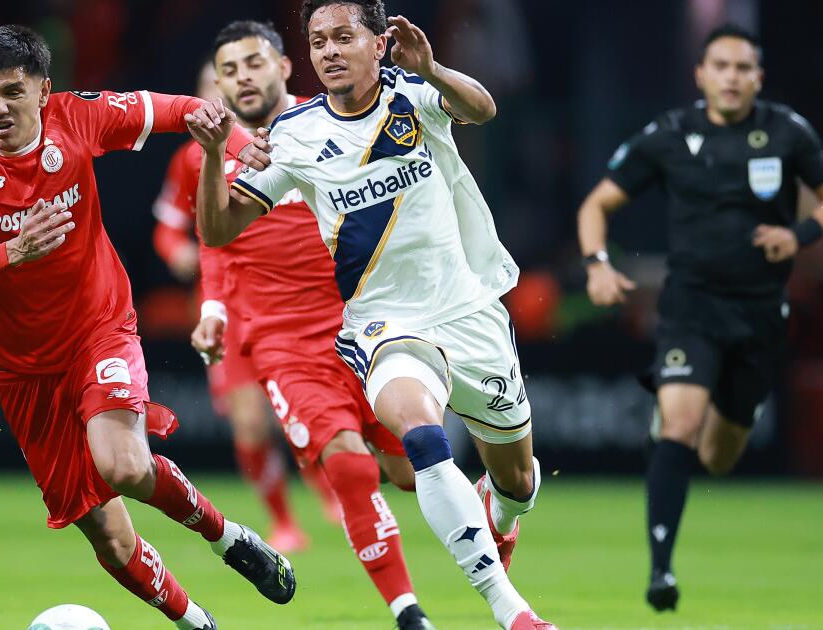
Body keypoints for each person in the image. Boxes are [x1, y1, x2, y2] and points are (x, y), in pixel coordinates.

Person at [184, 3, 554, 628]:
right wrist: (217, 155)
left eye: (342, 37)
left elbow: (484, 109)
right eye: (317, 41)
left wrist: (432, 69)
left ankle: (503, 514)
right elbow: (219, 231)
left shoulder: (415, 93)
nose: (328, 51)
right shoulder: (295, 135)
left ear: (378, 43)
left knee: (517, 479)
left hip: (467, 309)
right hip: (385, 324)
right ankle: (511, 611)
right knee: (421, 437)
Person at [0, 25, 293, 630]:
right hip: (19, 366)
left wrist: (231, 132)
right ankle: (196, 622)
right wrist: (15, 249)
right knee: (110, 538)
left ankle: (226, 537)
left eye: (12, 92)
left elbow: (174, 108)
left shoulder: (77, 119)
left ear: (44, 89)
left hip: (98, 327)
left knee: (122, 464)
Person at [576, 24, 823, 613]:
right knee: (678, 425)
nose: (731, 77)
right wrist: (598, 264)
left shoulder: (786, 131)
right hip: (690, 308)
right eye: (720, 66)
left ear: (758, 77)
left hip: (758, 316)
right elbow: (596, 204)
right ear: (701, 75)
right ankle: (661, 573)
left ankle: (702, 425)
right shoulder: (671, 134)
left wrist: (797, 234)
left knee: (719, 456)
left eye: (743, 68)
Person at [179, 20, 433, 629]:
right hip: (282, 340)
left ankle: (481, 509)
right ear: (217, 83)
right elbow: (214, 240)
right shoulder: (204, 153)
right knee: (346, 461)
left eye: (254, 63)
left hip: (364, 322)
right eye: (229, 70)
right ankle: (408, 611)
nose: (243, 78)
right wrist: (213, 308)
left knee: (409, 469)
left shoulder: (326, 124)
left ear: (284, 66)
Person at [152, 58, 312, 554]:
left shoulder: (296, 131)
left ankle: (340, 491)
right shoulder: (190, 158)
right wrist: (175, 250)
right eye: (206, 89)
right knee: (249, 421)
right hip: (227, 303)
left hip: (301, 299)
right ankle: (283, 519)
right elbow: (168, 227)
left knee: (317, 414)